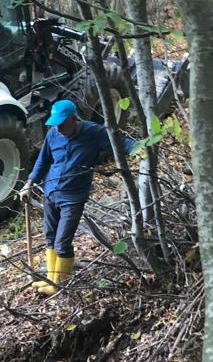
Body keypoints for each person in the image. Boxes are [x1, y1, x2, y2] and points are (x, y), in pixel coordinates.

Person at [20, 99, 136, 294]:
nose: (58, 128)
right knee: (50, 237)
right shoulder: (53, 135)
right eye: (55, 124)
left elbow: (122, 143)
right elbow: (43, 161)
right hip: (51, 192)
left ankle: (60, 285)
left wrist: (143, 150)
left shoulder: (93, 133)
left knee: (62, 242)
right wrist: (29, 184)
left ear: (74, 119)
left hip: (73, 197)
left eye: (62, 123)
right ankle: (51, 279)